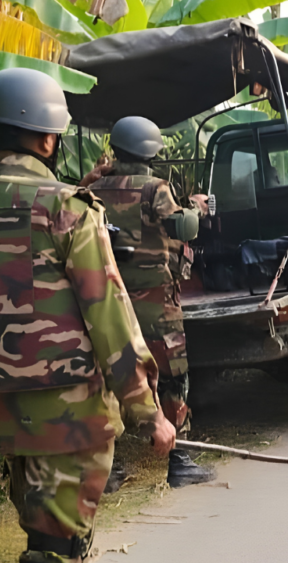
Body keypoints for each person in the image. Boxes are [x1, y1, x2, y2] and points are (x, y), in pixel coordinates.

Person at [0, 69, 175, 563]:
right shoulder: (67, 208)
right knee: (59, 545)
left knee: (42, 533)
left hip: (3, 407)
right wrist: (148, 411)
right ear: (46, 137)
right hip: (71, 411)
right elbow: (108, 316)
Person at [88, 117, 214, 489]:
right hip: (156, 303)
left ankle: (106, 469)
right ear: (151, 150)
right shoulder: (154, 188)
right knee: (173, 376)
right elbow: (183, 228)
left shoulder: (95, 187)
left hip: (109, 300)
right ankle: (180, 460)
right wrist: (198, 207)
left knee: (107, 378)